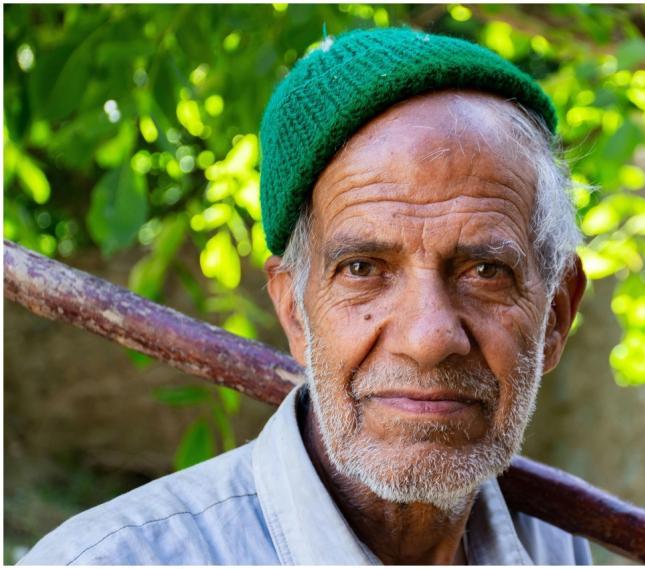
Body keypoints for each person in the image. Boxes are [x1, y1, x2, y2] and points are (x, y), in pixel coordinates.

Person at [20, 26, 589, 565]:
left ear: (557, 315)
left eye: (485, 271)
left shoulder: (557, 545)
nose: (429, 338)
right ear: (294, 309)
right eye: (363, 268)